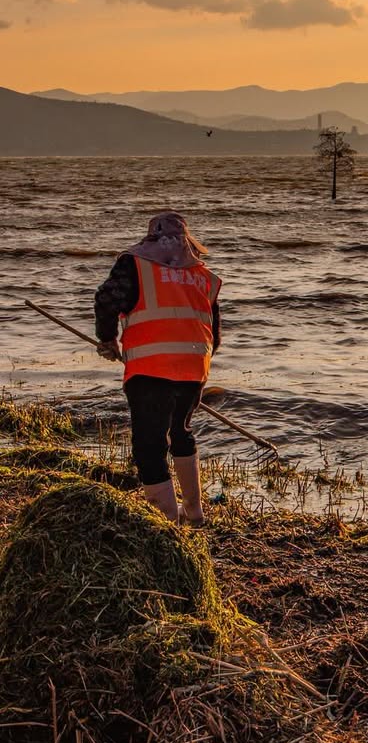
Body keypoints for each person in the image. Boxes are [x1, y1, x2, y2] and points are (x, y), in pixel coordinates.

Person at [94, 212, 221, 525]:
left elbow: (107, 299)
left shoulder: (134, 263)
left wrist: (107, 338)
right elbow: (214, 334)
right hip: (195, 366)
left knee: (149, 446)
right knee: (181, 434)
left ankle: (166, 523)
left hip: (151, 369)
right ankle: (193, 512)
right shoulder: (203, 274)